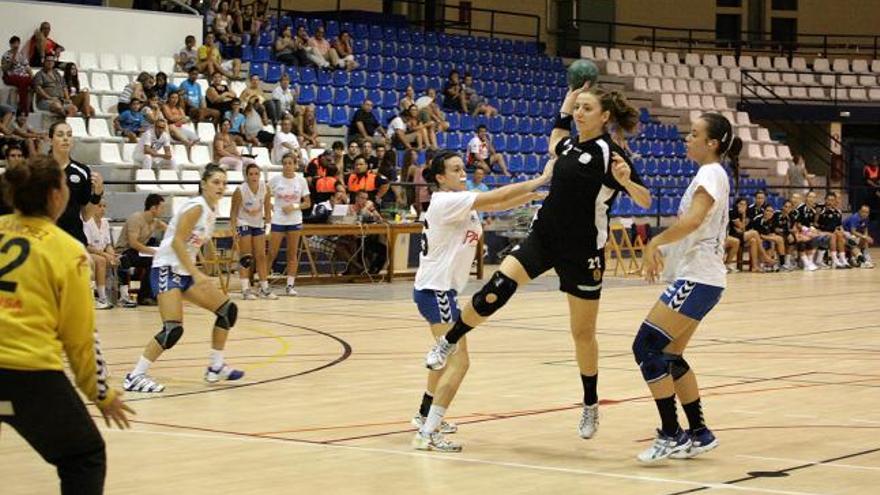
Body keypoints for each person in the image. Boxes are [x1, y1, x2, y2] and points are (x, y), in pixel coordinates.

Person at [424, 86, 652, 443]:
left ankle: (590, 402)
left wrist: (626, 183)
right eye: (577, 108)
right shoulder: (568, 145)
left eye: (586, 109)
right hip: (544, 238)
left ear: (605, 116)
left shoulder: (611, 154)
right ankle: (448, 342)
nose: (579, 114)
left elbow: (644, 198)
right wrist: (564, 104)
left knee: (582, 334)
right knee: (498, 286)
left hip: (583, 251)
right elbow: (556, 139)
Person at [0, 155, 133, 495]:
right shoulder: (67, 250)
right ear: (55, 196)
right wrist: (100, 393)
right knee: (84, 456)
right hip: (24, 375)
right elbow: (80, 337)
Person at [411, 151, 553, 452]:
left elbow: (500, 202)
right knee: (459, 362)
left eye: (464, 168)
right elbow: (498, 195)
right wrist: (538, 179)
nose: (463, 174)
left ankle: (425, 415)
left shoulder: (459, 201)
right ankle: (428, 433)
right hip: (437, 292)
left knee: (444, 357)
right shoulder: (447, 202)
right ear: (439, 177)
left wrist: (534, 196)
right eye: (455, 170)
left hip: (436, 291)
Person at [634, 112, 740, 463]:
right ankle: (699, 433)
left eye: (694, 134)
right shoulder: (710, 173)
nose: (687, 138)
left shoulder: (710, 172)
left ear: (712, 143)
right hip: (702, 278)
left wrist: (654, 244)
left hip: (698, 278)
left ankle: (671, 433)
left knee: (646, 346)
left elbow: (693, 221)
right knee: (669, 355)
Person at [123, 165, 243, 393]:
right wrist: (197, 273)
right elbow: (178, 241)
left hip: (185, 271)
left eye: (223, 183)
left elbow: (193, 243)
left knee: (227, 311)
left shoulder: (211, 209)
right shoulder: (196, 207)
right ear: (204, 184)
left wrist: (202, 268)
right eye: (216, 182)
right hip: (168, 267)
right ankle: (135, 376)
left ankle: (216, 366)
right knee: (172, 329)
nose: (221, 187)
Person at [49, 121, 105, 247]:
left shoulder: (82, 171)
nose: (65, 138)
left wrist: (97, 194)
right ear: (50, 140)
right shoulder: (39, 169)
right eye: (60, 134)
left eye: (69, 135)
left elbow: (85, 215)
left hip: (73, 237)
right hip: (47, 237)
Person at [231, 163, 278, 300]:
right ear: (246, 176)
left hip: (258, 223)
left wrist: (268, 226)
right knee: (246, 256)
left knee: (261, 255)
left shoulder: (265, 188)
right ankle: (245, 289)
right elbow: (233, 213)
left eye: (256, 174)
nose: (254, 176)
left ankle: (264, 288)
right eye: (251, 174)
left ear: (260, 175)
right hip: (243, 223)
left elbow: (267, 210)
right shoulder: (240, 190)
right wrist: (234, 230)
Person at [268, 153, 311, 296]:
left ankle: (290, 285)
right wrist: (270, 206)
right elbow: (264, 195)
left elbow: (307, 203)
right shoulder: (275, 180)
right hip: (279, 219)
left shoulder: (301, 181)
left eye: (290, 163)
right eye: (285, 163)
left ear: (295, 164)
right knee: (272, 252)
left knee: (292, 253)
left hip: (294, 220)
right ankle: (263, 283)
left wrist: (294, 206)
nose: (287, 166)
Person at [116, 194, 167, 308]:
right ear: (153, 208)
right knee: (153, 259)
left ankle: (150, 294)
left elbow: (170, 230)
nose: (164, 211)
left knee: (158, 260)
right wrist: (152, 252)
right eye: (162, 208)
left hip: (139, 251)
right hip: (125, 251)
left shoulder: (155, 221)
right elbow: (133, 243)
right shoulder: (136, 218)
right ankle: (145, 296)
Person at [84, 199, 117, 309]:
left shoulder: (105, 223)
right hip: (88, 252)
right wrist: (105, 255)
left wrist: (112, 255)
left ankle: (122, 296)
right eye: (99, 206)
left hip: (101, 252)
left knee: (120, 260)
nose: (102, 208)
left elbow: (108, 244)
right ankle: (102, 297)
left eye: (104, 206)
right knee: (101, 260)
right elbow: (87, 246)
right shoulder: (87, 222)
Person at [2, 36, 32, 115]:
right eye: (14, 43)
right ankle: (23, 109)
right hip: (10, 76)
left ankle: (27, 107)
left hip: (22, 76)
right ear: (11, 45)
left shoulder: (21, 55)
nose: (16, 45)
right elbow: (4, 69)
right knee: (23, 81)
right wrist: (12, 60)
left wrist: (32, 76)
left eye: (18, 43)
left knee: (30, 81)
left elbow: (27, 67)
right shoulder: (6, 55)